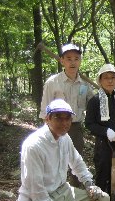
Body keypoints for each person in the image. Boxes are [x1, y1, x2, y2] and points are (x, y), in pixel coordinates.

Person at [17, 99, 115, 201]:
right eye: (58, 117)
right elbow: (35, 187)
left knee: (103, 199)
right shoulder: (34, 145)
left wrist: (89, 184)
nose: (64, 122)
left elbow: (77, 163)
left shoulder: (64, 137)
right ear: (47, 118)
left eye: (68, 118)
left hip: (63, 190)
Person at [39, 43, 95, 187]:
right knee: (53, 161)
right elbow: (44, 111)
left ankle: (76, 194)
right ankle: (52, 193)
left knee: (76, 161)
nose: (72, 62)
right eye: (68, 58)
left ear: (80, 61)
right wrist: (47, 132)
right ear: (62, 61)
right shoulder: (52, 82)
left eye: (76, 58)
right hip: (54, 128)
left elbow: (93, 104)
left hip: (75, 127)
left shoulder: (84, 84)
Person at [85, 63, 115, 201]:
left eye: (113, 78)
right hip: (103, 145)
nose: (110, 81)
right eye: (106, 78)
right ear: (100, 80)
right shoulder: (95, 101)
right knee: (102, 175)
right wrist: (105, 132)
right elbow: (89, 124)